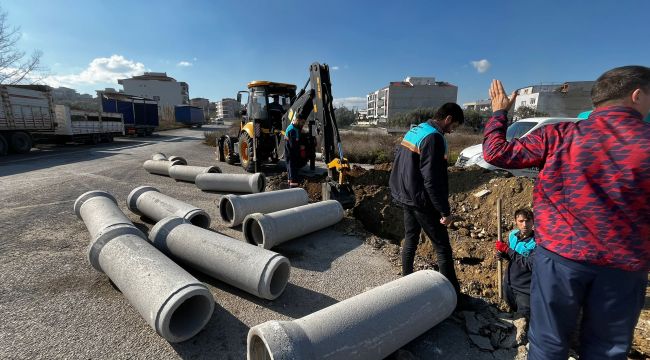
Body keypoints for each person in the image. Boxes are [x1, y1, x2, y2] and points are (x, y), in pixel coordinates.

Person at [483, 66, 650, 360]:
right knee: (607, 350)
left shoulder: (559, 135)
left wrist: (499, 113)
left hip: (560, 259)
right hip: (623, 267)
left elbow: (496, 153)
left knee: (548, 344)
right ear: (637, 96)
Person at [389, 103, 466, 304]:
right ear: (448, 118)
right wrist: (444, 211)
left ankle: (405, 283)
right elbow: (432, 180)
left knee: (411, 238)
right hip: (421, 200)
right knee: (442, 247)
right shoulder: (433, 137)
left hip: (406, 195)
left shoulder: (417, 130)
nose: (453, 130)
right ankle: (454, 298)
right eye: (454, 125)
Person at [495, 208, 535, 319]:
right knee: (512, 312)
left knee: (523, 318)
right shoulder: (512, 235)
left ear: (533, 221)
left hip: (524, 289)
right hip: (508, 284)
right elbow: (513, 258)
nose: (525, 224)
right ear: (515, 221)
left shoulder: (537, 242)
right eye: (521, 221)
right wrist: (503, 254)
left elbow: (529, 264)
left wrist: (508, 250)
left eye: (528, 221)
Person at [284, 115, 306, 188]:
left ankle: (290, 188)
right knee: (292, 173)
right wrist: (300, 147)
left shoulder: (295, 128)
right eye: (302, 122)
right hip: (291, 155)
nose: (303, 124)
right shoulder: (292, 130)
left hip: (292, 154)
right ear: (298, 120)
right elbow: (292, 145)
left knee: (292, 173)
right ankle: (293, 190)